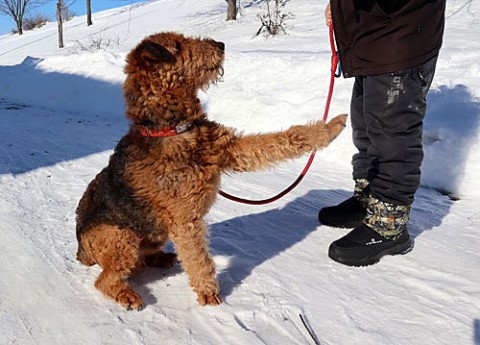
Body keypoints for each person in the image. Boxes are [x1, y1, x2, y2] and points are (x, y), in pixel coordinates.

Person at [319, 0, 446, 266]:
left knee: (393, 133)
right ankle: (370, 200)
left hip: (403, 34)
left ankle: (389, 225)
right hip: (374, 37)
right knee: (366, 126)